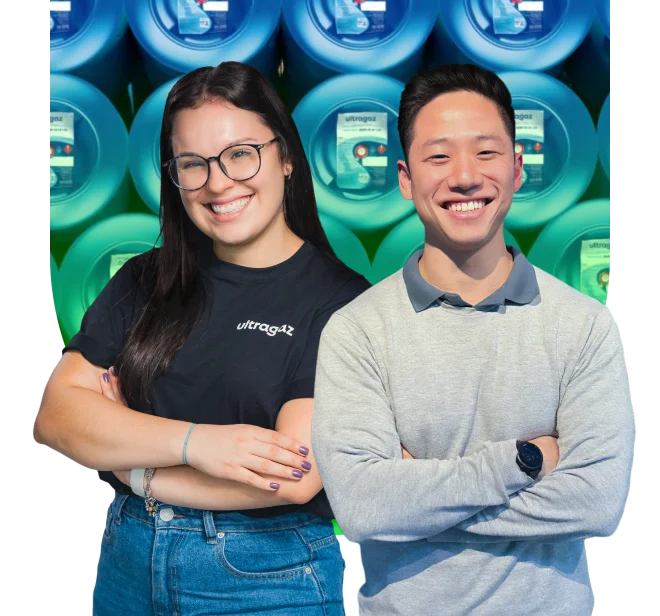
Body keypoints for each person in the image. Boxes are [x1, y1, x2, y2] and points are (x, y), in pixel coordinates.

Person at [36, 61, 370, 616]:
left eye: (240, 154)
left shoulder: (340, 302)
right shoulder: (146, 279)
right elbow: (57, 417)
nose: (218, 183)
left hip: (263, 575)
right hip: (128, 559)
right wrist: (200, 443)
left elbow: (293, 478)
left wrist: (134, 464)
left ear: (286, 157)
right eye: (194, 164)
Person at [311, 63, 634, 616]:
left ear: (516, 168)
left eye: (485, 153)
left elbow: (598, 503)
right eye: (438, 157)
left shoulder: (582, 324)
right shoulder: (356, 330)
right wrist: (524, 461)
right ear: (406, 178)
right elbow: (363, 509)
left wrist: (416, 492)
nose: (464, 176)